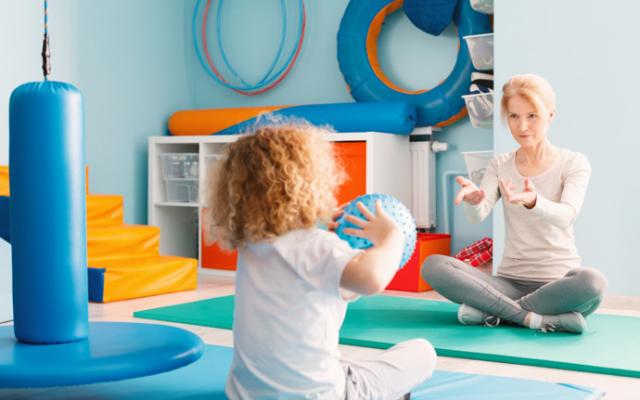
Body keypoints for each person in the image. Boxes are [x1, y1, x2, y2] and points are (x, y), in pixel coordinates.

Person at [205, 121, 436, 399]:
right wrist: (392, 236)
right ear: (310, 184)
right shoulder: (318, 247)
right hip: (318, 395)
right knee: (422, 351)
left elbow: (308, 269)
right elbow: (371, 279)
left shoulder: (253, 246)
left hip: (246, 394)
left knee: (342, 360)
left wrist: (319, 227)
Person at [422, 74, 607, 334]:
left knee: (593, 282)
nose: (522, 127)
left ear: (550, 115)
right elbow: (478, 215)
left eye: (532, 116)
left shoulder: (574, 163)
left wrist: (535, 202)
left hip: (559, 285)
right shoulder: (500, 164)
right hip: (508, 282)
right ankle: (533, 319)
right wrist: (474, 201)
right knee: (434, 266)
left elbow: (567, 215)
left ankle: (495, 311)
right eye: (513, 116)